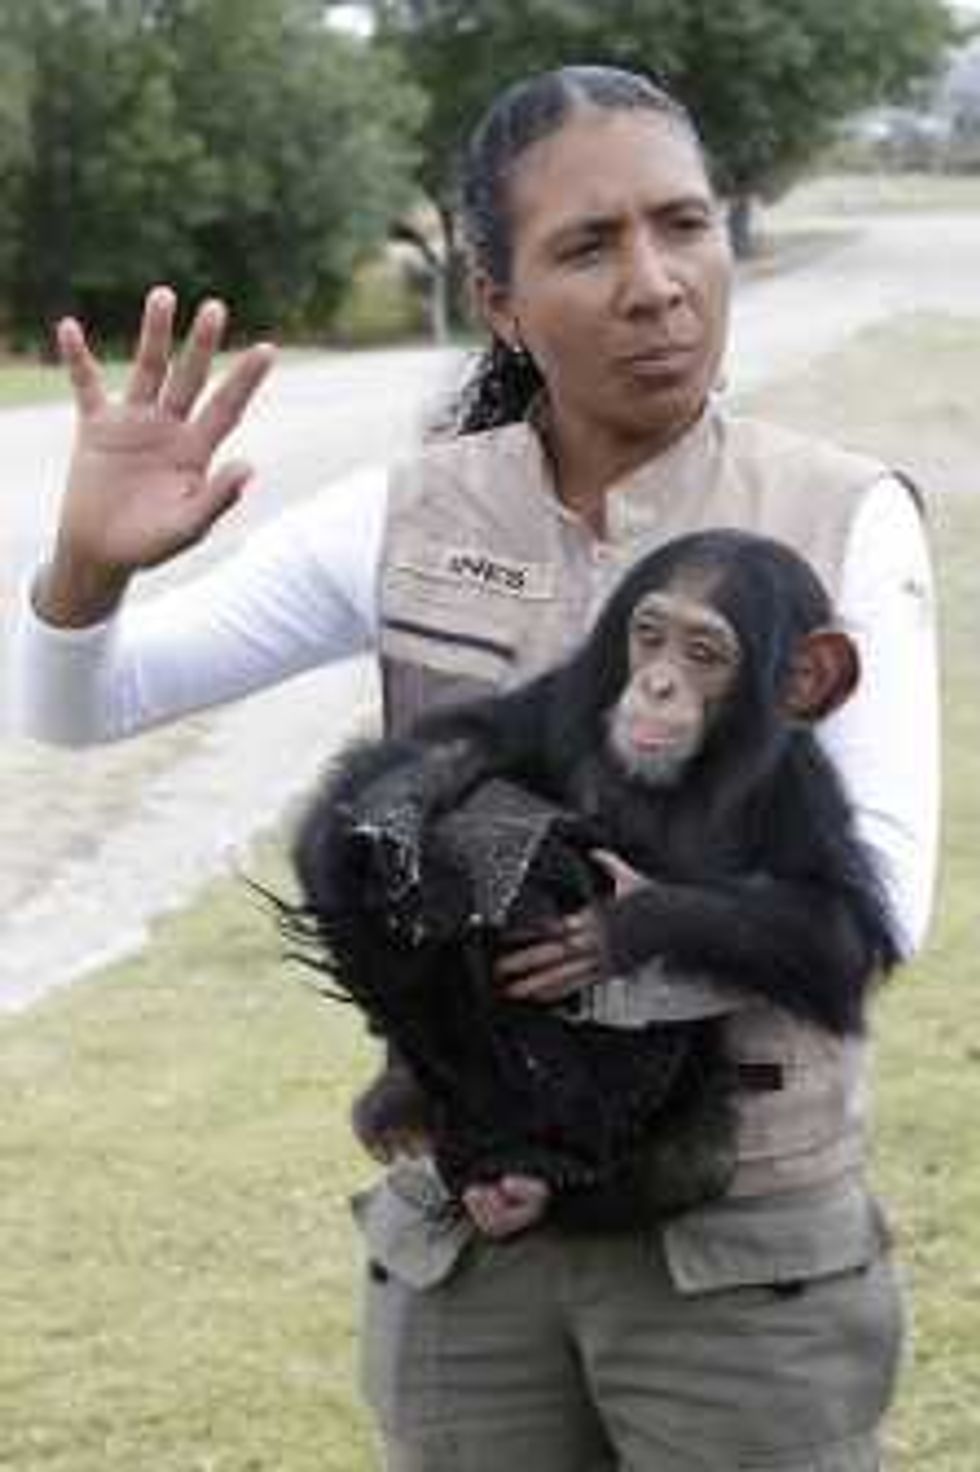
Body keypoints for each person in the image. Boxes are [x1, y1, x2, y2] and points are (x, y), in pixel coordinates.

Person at [12, 66, 938, 1472]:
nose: (657, 285)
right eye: (588, 245)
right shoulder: (413, 509)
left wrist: (612, 930)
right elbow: (93, 707)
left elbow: (885, 912)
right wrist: (84, 568)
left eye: (684, 227)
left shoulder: (837, 514)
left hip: (738, 1257)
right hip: (467, 1246)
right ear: (497, 296)